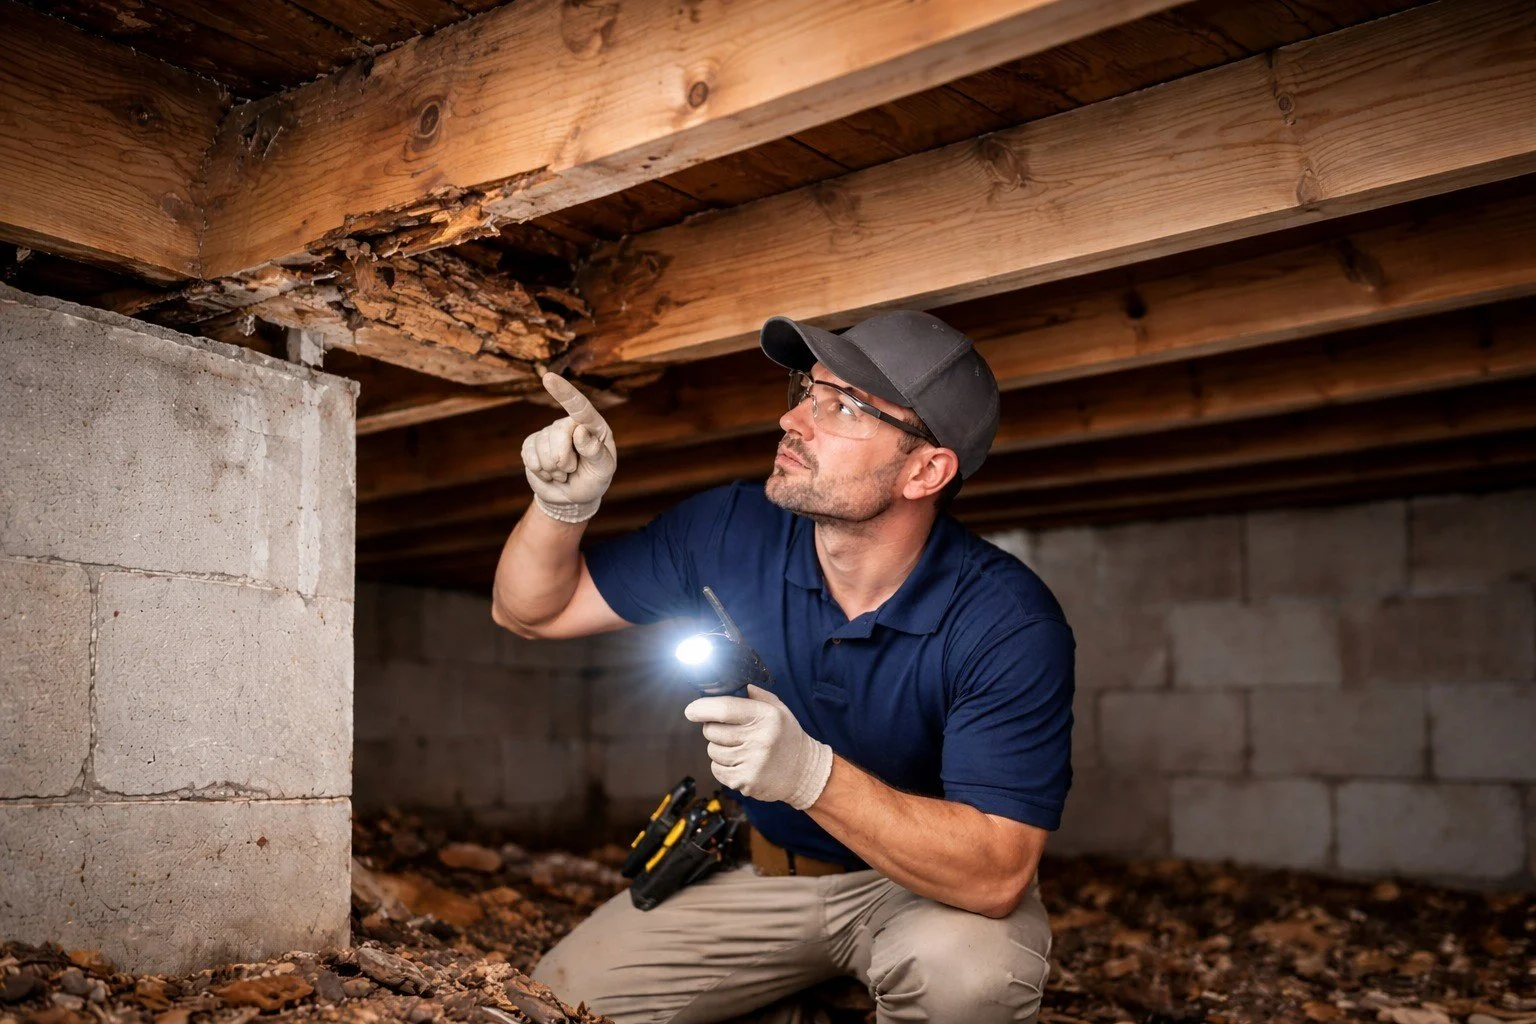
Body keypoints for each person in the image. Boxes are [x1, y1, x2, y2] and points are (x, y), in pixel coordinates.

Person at [491, 310, 1075, 1024]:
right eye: (808, 390)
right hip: (764, 871)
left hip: (923, 894)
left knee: (968, 980)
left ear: (927, 470)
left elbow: (995, 873)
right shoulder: (732, 528)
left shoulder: (1006, 619)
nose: (793, 420)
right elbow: (531, 612)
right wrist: (561, 504)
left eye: (842, 407)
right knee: (556, 1002)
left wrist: (809, 773)